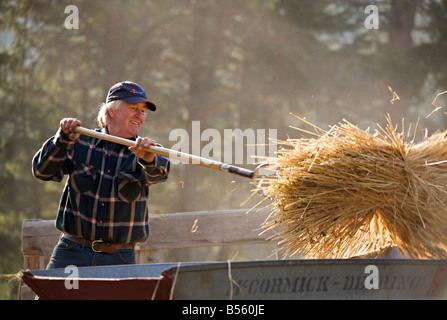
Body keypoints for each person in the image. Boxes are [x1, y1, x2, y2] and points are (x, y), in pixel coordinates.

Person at [32, 81, 170, 270]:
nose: (140, 115)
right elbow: (42, 171)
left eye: (143, 111)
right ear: (111, 111)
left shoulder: (149, 150)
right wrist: (62, 139)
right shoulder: (79, 141)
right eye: (133, 108)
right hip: (72, 251)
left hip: (120, 258)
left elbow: (159, 174)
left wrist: (148, 160)